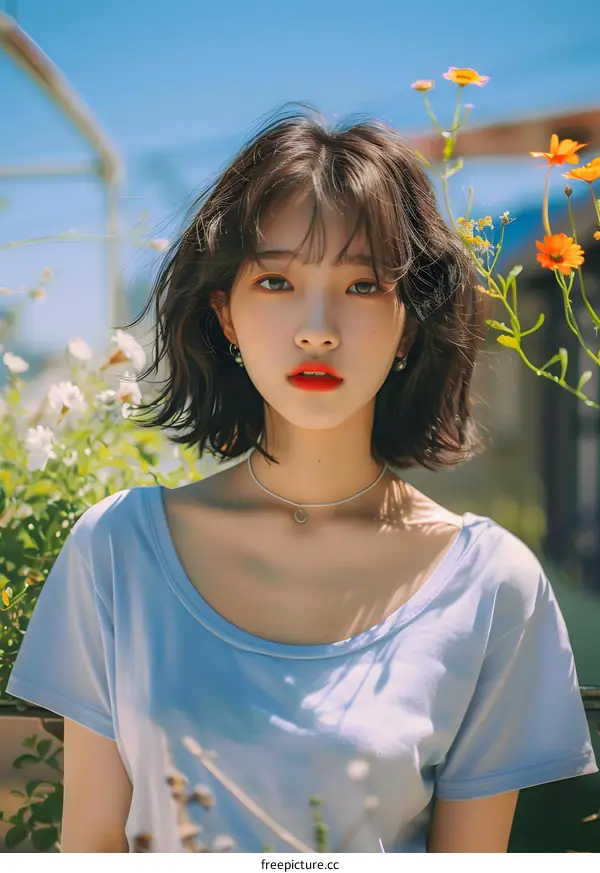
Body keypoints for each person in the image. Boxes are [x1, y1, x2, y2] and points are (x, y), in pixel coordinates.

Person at [7, 108, 598, 854]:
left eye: (361, 286)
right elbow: (90, 846)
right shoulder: (116, 549)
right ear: (224, 311)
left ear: (409, 320)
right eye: (278, 280)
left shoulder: (490, 585)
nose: (317, 327)